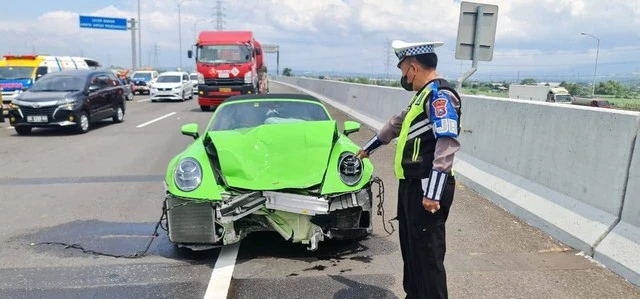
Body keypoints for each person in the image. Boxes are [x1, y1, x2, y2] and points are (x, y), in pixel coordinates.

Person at [356, 40, 462, 299]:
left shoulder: (440, 97)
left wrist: (433, 193)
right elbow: (395, 124)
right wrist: (368, 148)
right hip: (412, 184)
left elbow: (446, 143)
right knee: (411, 249)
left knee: (428, 255)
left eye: (403, 69)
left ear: (413, 67)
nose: (403, 76)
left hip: (428, 185)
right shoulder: (422, 96)